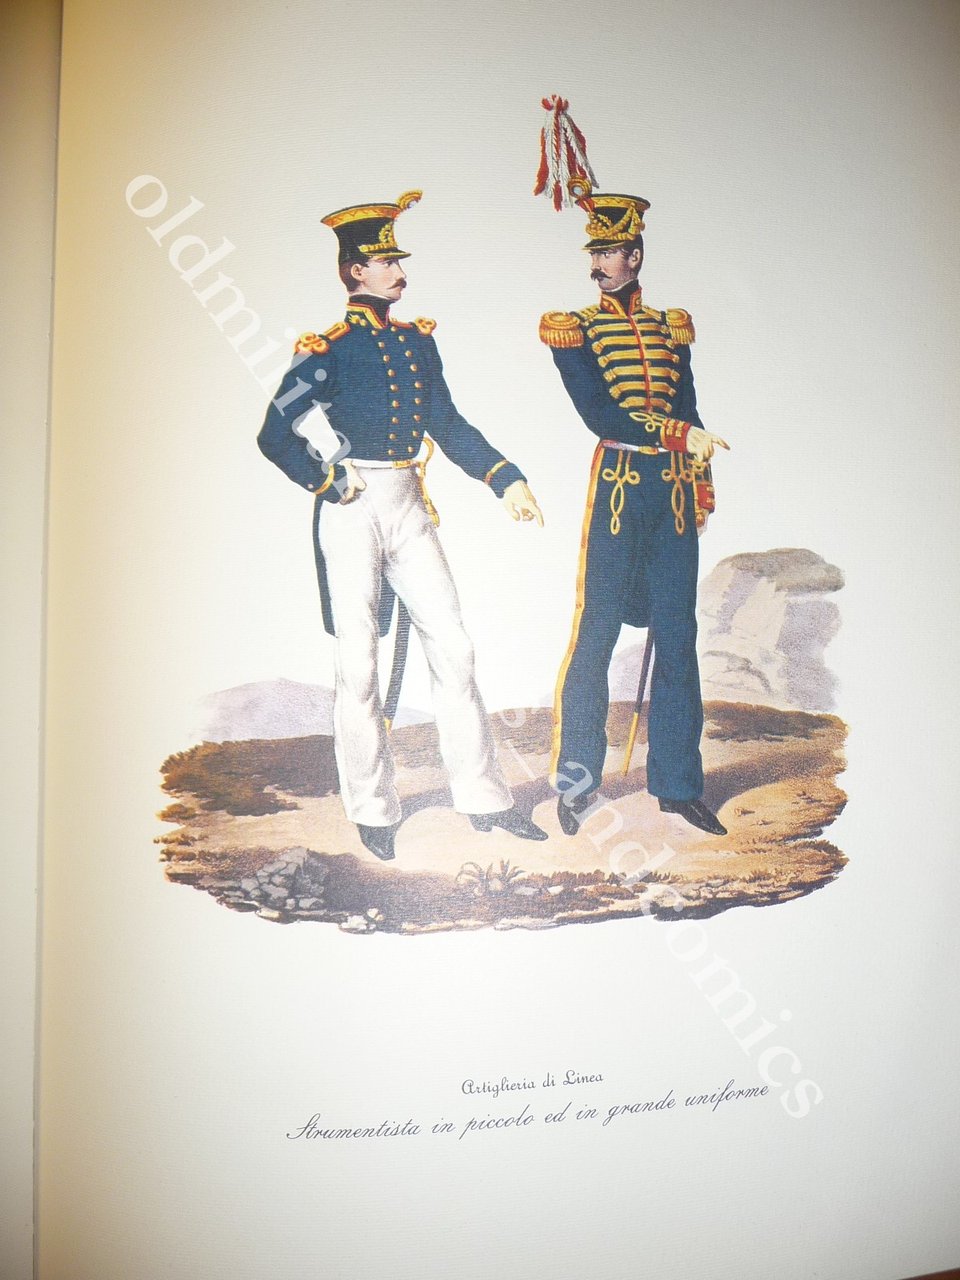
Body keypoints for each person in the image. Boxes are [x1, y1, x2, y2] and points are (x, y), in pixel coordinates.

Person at [259, 190, 546, 861]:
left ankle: (483, 797)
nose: (399, 272)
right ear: (356, 270)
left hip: (410, 503)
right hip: (351, 508)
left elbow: (446, 423)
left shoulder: (418, 345)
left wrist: (505, 477)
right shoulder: (327, 350)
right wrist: (327, 480)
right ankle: (371, 808)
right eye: (387, 262)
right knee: (359, 663)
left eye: (397, 260)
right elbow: (275, 433)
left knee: (455, 647)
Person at [540, 179, 729, 837]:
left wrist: (701, 480)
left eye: (608, 252)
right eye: (594, 251)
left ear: (634, 257)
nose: (597, 263)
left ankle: (677, 786)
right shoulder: (575, 330)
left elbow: (689, 407)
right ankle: (576, 785)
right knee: (595, 634)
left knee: (678, 635)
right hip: (620, 489)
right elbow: (601, 414)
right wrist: (677, 435)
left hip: (672, 493)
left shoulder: (669, 327)